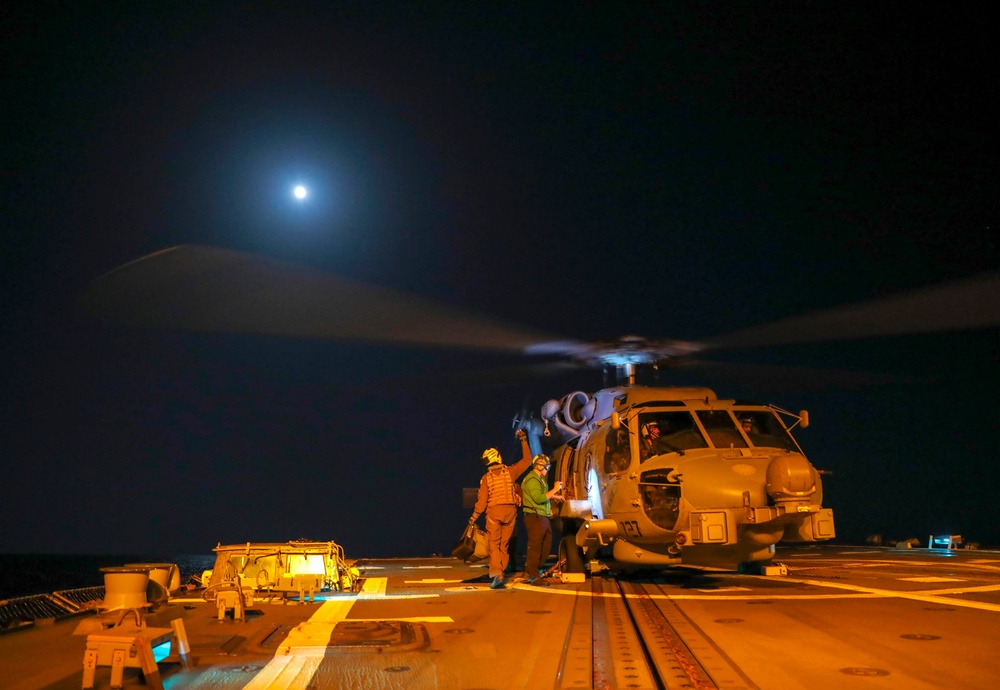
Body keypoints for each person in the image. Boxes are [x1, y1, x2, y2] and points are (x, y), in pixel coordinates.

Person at [468, 429, 533, 589]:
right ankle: (502, 572)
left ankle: (497, 574)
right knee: (504, 544)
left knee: (494, 545)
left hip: (494, 513)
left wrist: (474, 517)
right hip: (510, 512)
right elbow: (527, 461)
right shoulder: (510, 472)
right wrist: (523, 440)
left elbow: (482, 502)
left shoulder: (486, 478)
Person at [520, 453, 564, 586]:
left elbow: (542, 495)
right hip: (535, 517)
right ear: (539, 466)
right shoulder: (532, 479)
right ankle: (534, 575)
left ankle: (530, 571)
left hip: (541, 516)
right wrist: (555, 489)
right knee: (536, 547)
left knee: (546, 544)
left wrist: (555, 496)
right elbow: (538, 498)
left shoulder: (539, 479)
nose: (547, 469)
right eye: (546, 466)